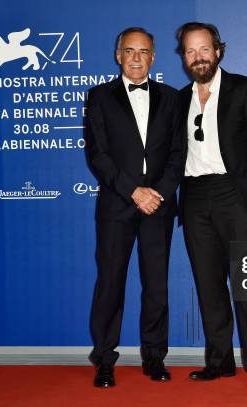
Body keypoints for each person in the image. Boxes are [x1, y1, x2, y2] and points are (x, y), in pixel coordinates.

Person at [176, 22, 247, 390]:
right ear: (184, 57)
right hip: (195, 198)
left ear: (218, 50)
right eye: (190, 51)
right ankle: (219, 361)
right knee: (208, 285)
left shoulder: (245, 89)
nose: (198, 57)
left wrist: (246, 186)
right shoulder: (178, 99)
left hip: (233, 194)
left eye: (204, 49)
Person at [85, 27, 182, 388]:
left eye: (144, 51)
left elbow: (177, 154)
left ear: (154, 57)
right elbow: (99, 155)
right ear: (118, 55)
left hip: (158, 205)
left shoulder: (172, 98)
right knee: (110, 284)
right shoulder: (99, 97)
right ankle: (105, 360)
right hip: (117, 205)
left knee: (156, 285)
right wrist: (133, 191)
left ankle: (155, 358)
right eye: (130, 51)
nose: (137, 58)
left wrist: (156, 193)